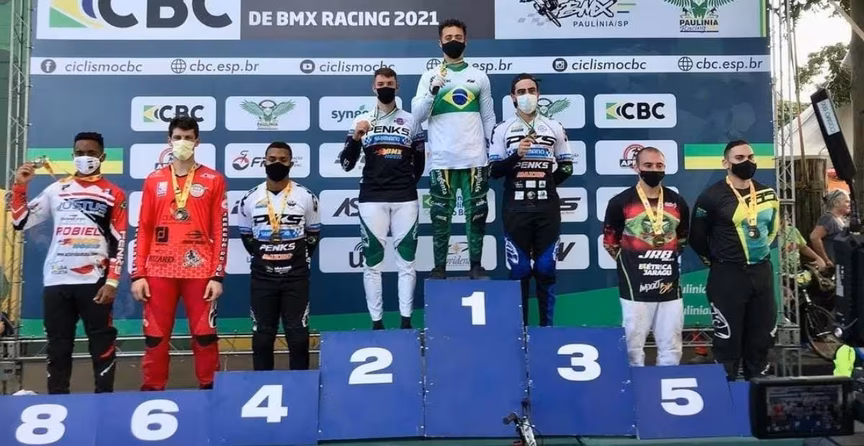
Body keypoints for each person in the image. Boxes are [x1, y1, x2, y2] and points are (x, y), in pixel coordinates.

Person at [11, 132, 125, 393]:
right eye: (80, 153)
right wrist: (20, 186)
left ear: (102, 157)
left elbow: (120, 240)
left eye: (91, 153)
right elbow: (20, 221)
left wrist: (112, 281)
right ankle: (58, 401)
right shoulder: (56, 189)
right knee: (58, 345)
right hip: (57, 279)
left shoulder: (114, 193)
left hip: (94, 281)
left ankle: (104, 400)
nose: (85, 158)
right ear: (73, 156)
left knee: (102, 342)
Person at [131, 116, 228, 391]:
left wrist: (217, 275)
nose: (182, 142)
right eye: (177, 137)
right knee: (155, 337)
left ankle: (210, 390)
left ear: (197, 141)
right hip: (159, 270)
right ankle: (152, 391)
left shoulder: (214, 179)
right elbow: (144, 228)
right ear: (169, 140)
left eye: (188, 138)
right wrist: (138, 274)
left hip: (200, 271)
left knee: (205, 335)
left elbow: (220, 229)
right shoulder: (154, 180)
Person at [411, 18, 497, 279]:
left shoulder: (479, 76)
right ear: (440, 42)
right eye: (448, 38)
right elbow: (417, 116)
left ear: (465, 40)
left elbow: (488, 117)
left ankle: (476, 265)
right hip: (442, 161)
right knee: (440, 217)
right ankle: (439, 268)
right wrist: (432, 91)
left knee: (477, 215)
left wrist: (492, 151)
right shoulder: (429, 76)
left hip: (475, 160)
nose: (453, 41)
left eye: (458, 37)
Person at [340, 68, 424, 330]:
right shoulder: (362, 120)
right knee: (372, 264)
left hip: (405, 198)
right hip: (372, 198)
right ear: (373, 87)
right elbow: (346, 164)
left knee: (406, 263)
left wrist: (404, 183)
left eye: (390, 83)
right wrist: (356, 138)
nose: (385, 87)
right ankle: (377, 323)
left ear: (397, 87)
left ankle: (406, 322)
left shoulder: (411, 121)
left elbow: (420, 162)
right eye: (380, 83)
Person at [690, 140, 780, 380]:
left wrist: (757, 253)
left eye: (750, 157)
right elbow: (696, 238)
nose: (747, 162)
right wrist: (720, 260)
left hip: (761, 273)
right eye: (739, 158)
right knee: (727, 341)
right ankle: (726, 393)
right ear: (725, 163)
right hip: (727, 275)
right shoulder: (711, 196)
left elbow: (772, 231)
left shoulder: (768, 194)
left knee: (761, 339)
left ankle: (756, 393)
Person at [489, 73, 572, 327]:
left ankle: (547, 330)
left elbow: (567, 166)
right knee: (520, 271)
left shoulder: (554, 127)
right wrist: (516, 155)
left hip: (547, 209)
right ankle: (521, 332)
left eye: (531, 91)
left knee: (546, 269)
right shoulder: (502, 129)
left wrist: (547, 184)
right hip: (515, 209)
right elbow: (494, 171)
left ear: (538, 94)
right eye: (521, 91)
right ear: (513, 97)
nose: (527, 96)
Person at [602, 147, 689, 366]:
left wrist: (659, 257)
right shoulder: (620, 202)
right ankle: (636, 386)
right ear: (636, 167)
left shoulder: (677, 202)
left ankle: (667, 385)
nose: (654, 170)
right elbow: (610, 242)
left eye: (659, 166)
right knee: (632, 347)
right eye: (648, 165)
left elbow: (681, 239)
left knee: (672, 346)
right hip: (635, 285)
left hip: (669, 284)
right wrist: (633, 261)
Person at [238, 142, 321, 370]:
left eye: (283, 160)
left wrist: (295, 260)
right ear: (264, 162)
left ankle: (301, 385)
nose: (277, 163)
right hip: (262, 278)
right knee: (262, 337)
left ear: (291, 163)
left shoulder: (307, 197)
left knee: (298, 336)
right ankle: (262, 384)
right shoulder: (249, 198)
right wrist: (267, 257)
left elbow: (313, 235)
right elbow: (247, 237)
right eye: (272, 159)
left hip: (296, 277)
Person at [810, 189, 850, 268]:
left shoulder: (840, 219)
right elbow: (814, 237)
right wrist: (826, 260)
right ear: (836, 203)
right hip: (833, 267)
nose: (849, 204)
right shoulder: (828, 218)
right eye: (846, 201)